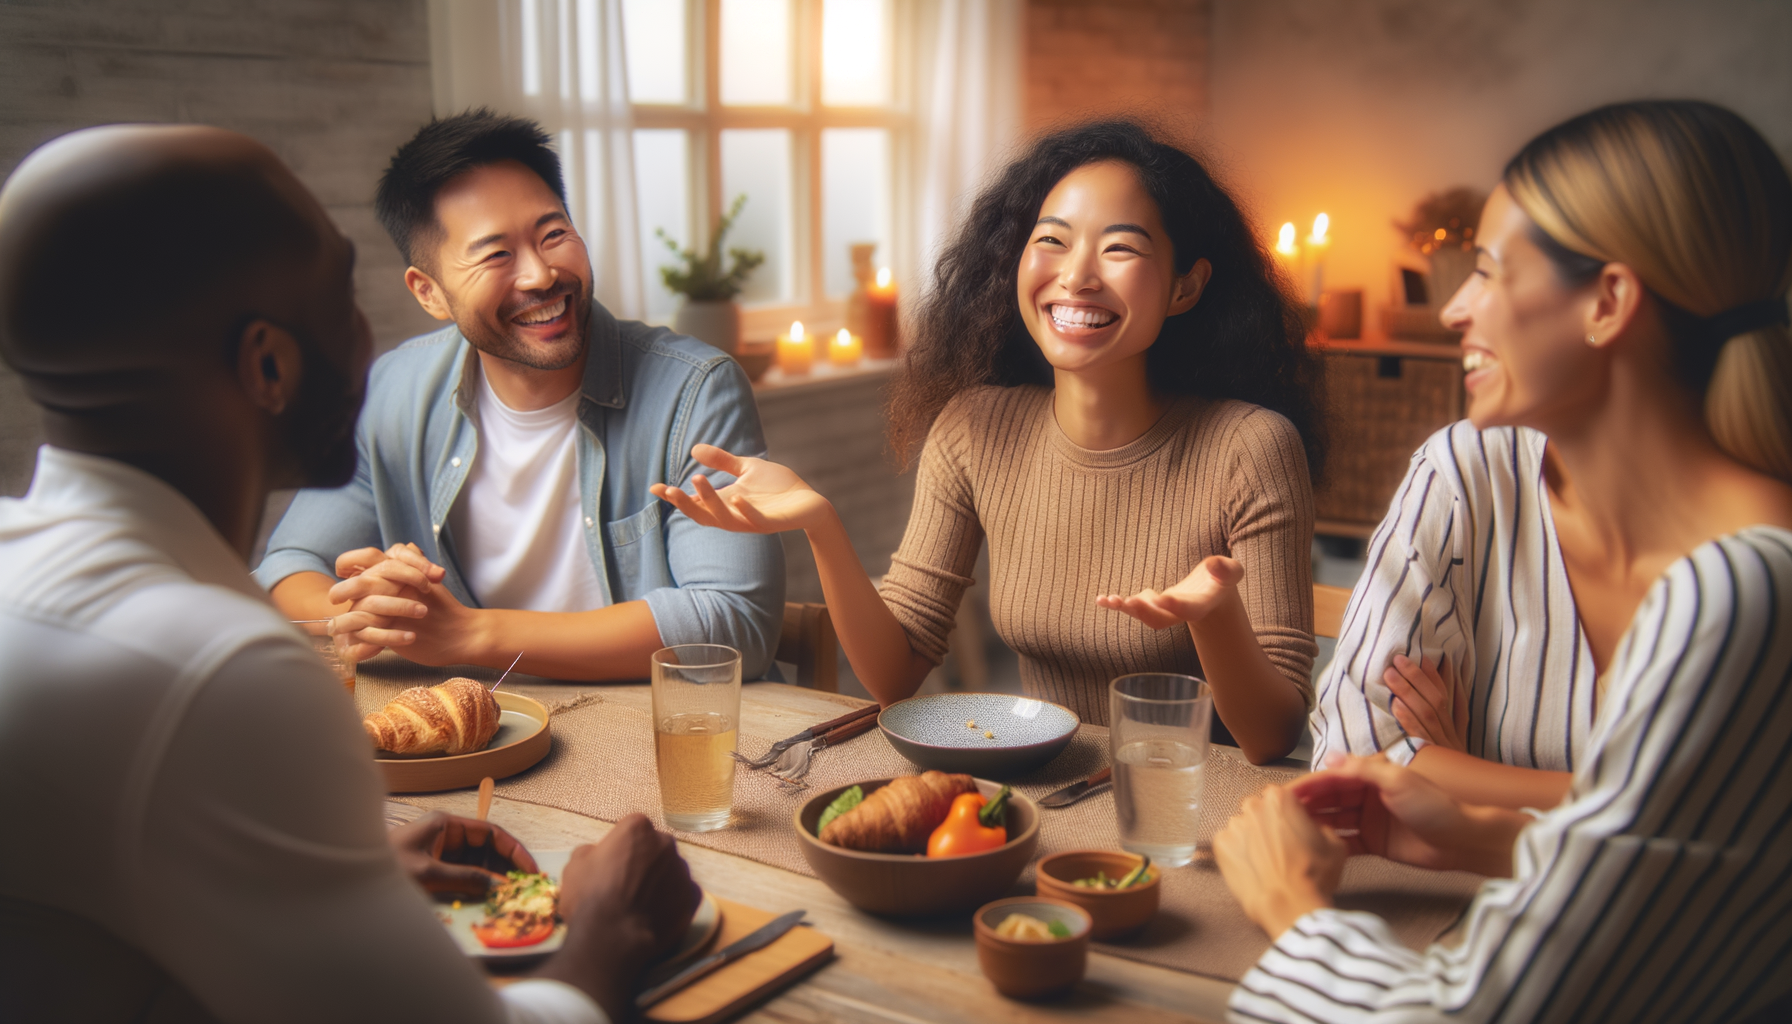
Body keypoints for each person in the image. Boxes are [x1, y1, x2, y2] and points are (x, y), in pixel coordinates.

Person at [0, 123, 698, 1023]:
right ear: (268, 364)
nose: (374, 341)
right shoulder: (226, 672)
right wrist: (611, 929)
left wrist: (330, 888)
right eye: (342, 295)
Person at [1214, 100, 1792, 1022]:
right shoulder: (1481, 473)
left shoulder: (1735, 596)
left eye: (1486, 269)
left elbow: (1471, 1016)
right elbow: (1713, 873)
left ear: (1607, 302)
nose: (1453, 307)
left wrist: (1289, 905)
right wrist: (1489, 837)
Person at [654, 120, 1323, 762]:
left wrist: (1214, 619)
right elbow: (895, 674)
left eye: (1120, 248)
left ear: (1186, 286)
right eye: (1053, 241)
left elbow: (1271, 738)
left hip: (1193, 815)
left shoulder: (1251, 448)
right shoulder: (975, 429)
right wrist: (819, 523)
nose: (1078, 276)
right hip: (1050, 794)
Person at [255, 110, 783, 682]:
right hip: (486, 738)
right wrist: (381, 611)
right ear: (429, 292)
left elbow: (736, 623)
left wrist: (470, 635)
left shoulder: (694, 390)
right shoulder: (394, 391)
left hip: (652, 732)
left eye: (553, 234)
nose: (539, 275)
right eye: (496, 254)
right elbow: (288, 566)